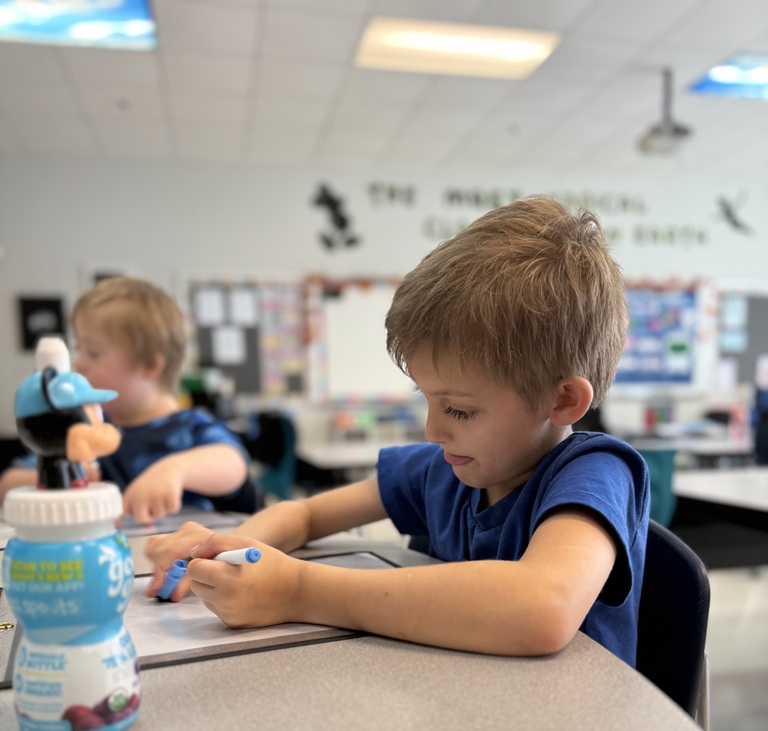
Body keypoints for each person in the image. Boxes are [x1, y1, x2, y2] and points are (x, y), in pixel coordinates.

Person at [145, 195, 650, 666]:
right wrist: (226, 549)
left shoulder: (596, 472)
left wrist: (297, 590)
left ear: (562, 401)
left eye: (459, 410)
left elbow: (543, 608)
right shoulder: (447, 469)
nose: (433, 430)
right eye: (427, 399)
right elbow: (302, 513)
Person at [0, 277, 253, 522]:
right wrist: (63, 475)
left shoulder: (190, 427)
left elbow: (233, 465)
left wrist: (174, 470)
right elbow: (8, 484)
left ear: (150, 365)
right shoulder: (84, 431)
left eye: (93, 352)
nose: (78, 362)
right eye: (79, 348)